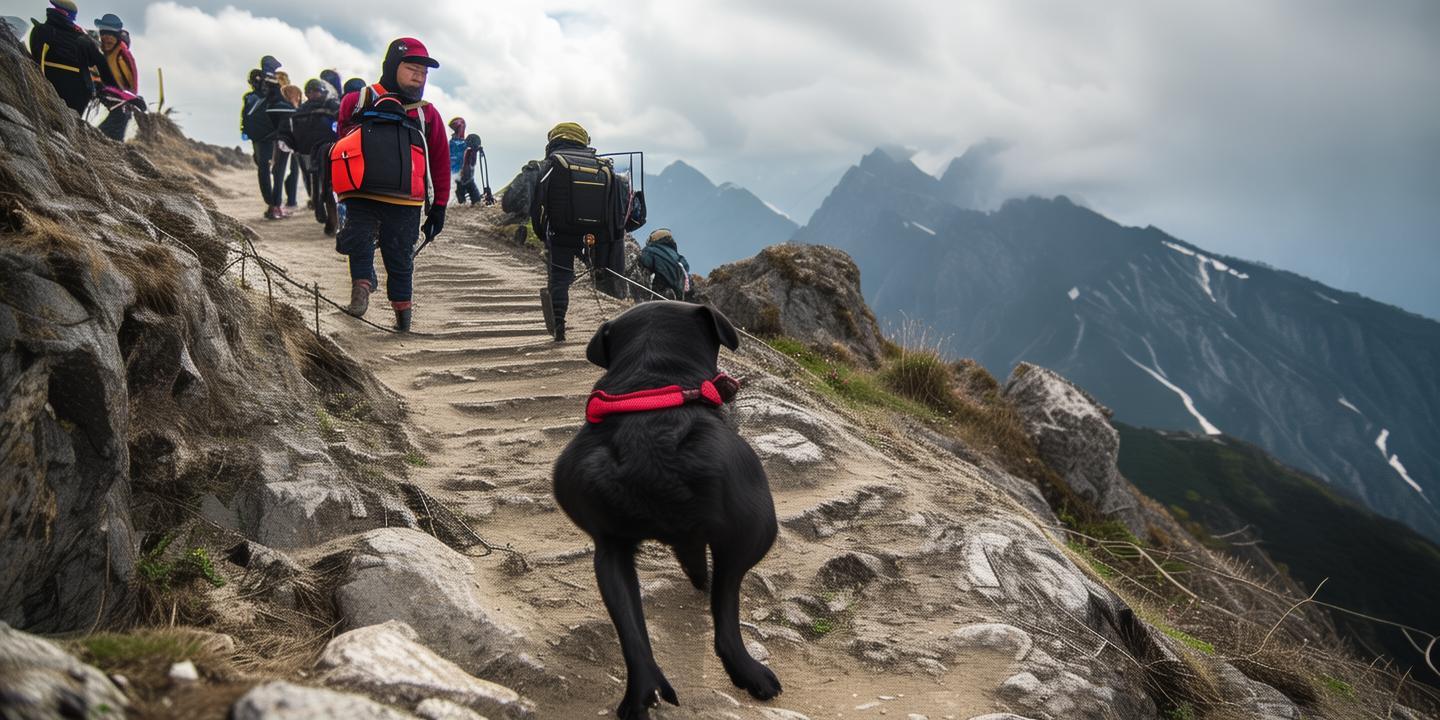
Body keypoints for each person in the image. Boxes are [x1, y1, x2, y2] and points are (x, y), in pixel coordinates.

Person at [334, 37, 450, 333]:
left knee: (394, 256)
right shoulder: (357, 100)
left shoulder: (427, 113)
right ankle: (363, 291)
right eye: (412, 68)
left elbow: (439, 163)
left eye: (423, 73)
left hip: (401, 200)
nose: (419, 76)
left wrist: (439, 207)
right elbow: (341, 149)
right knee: (370, 248)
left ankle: (401, 316)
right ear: (392, 66)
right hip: (368, 194)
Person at [529, 122, 629, 342]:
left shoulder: (550, 165)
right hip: (599, 236)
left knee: (560, 279)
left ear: (554, 140)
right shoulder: (604, 167)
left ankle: (559, 327)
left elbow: (536, 205)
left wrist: (543, 234)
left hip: (561, 233)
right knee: (604, 279)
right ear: (584, 140)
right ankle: (617, 332)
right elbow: (620, 208)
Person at [28, 0, 118, 115]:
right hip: (79, 94)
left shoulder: (40, 30)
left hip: (48, 86)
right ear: (70, 16)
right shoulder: (83, 38)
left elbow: (36, 57)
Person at [278, 79, 339, 233]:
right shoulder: (300, 111)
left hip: (327, 151)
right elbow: (287, 130)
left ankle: (331, 218)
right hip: (309, 152)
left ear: (323, 91)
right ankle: (323, 212)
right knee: (318, 183)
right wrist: (286, 141)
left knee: (327, 185)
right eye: (309, 91)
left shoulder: (331, 107)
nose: (312, 94)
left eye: (315, 90)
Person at [92, 12, 136, 141]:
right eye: (104, 33)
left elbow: (129, 84)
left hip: (118, 101)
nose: (106, 38)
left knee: (111, 132)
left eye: (110, 35)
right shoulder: (105, 51)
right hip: (116, 101)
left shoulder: (121, 56)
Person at [636, 228, 694, 301]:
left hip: (662, 282)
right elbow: (686, 266)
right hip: (680, 286)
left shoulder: (651, 249)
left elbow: (645, 261)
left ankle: (665, 293)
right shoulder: (677, 255)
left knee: (658, 282)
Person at [280, 83, 304, 209]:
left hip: (286, 143)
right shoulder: (295, 109)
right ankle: (291, 200)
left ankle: (291, 200)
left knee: (287, 172)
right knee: (293, 172)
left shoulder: (286, 108)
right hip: (294, 144)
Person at [455, 134, 483, 205]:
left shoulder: (470, 151)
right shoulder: (467, 151)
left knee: (467, 190)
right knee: (466, 190)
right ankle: (464, 202)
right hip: (464, 176)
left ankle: (464, 202)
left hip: (466, 176)